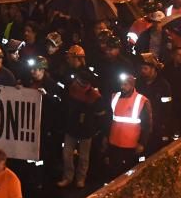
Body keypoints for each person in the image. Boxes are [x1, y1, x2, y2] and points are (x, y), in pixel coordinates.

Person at [57, 45, 105, 189]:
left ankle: (80, 179)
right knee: (67, 154)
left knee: (84, 156)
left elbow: (100, 109)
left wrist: (96, 127)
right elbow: (64, 99)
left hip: (86, 126)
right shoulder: (69, 80)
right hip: (72, 123)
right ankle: (68, 177)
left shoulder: (91, 86)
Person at [104, 71, 152, 177]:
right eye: (121, 84)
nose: (122, 87)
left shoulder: (141, 100)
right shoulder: (115, 97)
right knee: (113, 171)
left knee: (129, 172)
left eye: (125, 84)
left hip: (131, 145)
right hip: (114, 142)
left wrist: (142, 143)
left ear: (132, 85)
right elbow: (109, 120)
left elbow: (147, 125)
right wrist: (106, 138)